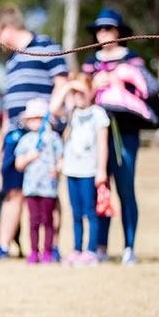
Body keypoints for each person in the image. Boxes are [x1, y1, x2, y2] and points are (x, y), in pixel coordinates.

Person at [0, 4, 68, 263]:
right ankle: (3, 245)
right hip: (15, 134)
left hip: (42, 134)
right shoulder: (13, 60)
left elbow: (62, 84)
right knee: (12, 190)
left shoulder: (47, 46)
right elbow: (10, 104)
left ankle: (51, 247)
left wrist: (47, 123)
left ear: (8, 28)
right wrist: (2, 137)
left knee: (47, 191)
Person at [81, 8, 153, 265]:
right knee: (100, 188)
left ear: (119, 32)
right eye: (100, 29)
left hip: (125, 135)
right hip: (96, 138)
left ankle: (129, 246)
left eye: (109, 29)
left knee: (125, 189)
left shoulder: (132, 60)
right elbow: (80, 99)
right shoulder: (90, 63)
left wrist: (117, 82)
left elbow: (144, 91)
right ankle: (100, 246)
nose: (104, 33)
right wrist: (93, 87)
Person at [49, 74, 109, 266]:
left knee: (90, 211)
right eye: (74, 93)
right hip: (71, 169)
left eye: (81, 91)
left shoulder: (98, 114)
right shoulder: (71, 113)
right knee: (75, 212)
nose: (78, 96)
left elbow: (103, 144)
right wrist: (68, 87)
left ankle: (91, 250)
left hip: (89, 170)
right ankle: (77, 249)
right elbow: (52, 109)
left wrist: (101, 170)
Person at [14, 99, 64, 264]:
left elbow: (61, 159)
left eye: (39, 117)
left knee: (47, 220)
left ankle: (48, 251)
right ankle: (34, 251)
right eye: (32, 118)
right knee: (33, 221)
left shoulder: (54, 138)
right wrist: (29, 157)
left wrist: (57, 168)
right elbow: (19, 164)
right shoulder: (25, 141)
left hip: (48, 188)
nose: (35, 121)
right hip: (31, 188)